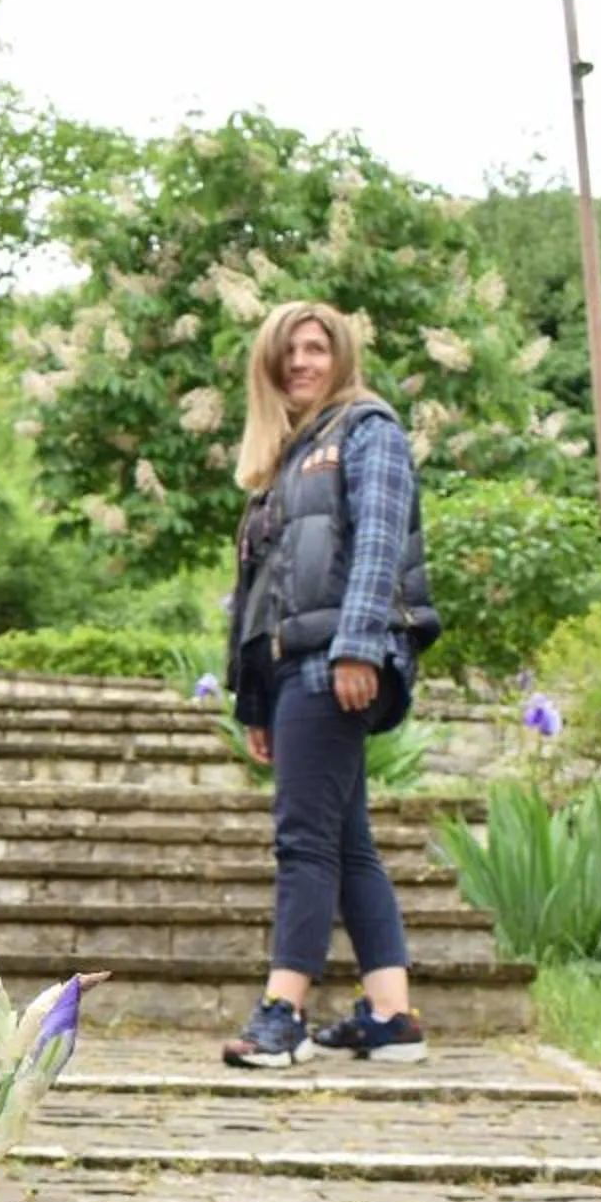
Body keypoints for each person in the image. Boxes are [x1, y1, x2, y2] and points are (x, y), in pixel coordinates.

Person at [220, 299, 440, 1069]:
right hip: (290, 672)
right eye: (288, 354)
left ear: (340, 356)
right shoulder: (283, 462)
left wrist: (357, 649)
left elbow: (380, 542)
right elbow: (256, 596)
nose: (301, 364)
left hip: (336, 662)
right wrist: (251, 699)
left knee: (303, 840)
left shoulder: (366, 431)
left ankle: (284, 1011)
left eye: (316, 350)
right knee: (348, 843)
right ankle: (390, 1014)